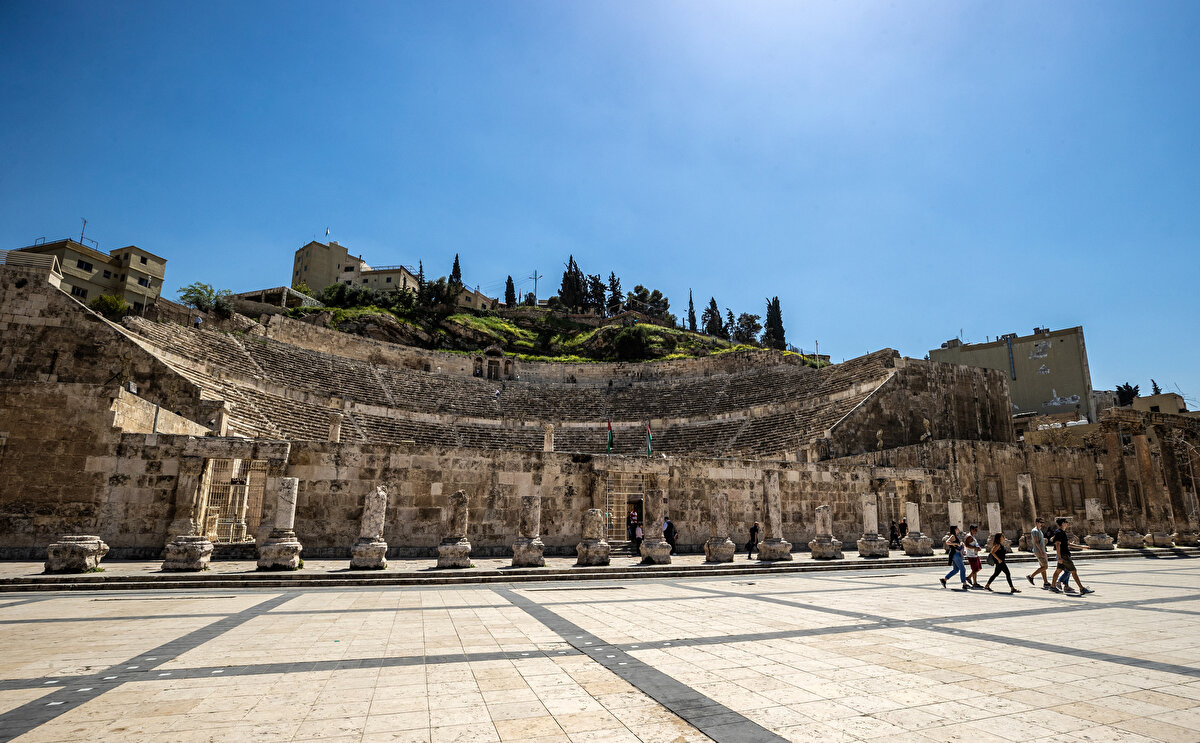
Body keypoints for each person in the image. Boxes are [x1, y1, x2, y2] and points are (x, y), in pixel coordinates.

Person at [1049, 517, 1093, 595]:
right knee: (1073, 571)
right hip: (1064, 555)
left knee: (1058, 570)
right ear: (1063, 523)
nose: (1067, 523)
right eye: (1066, 522)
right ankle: (1082, 588)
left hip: (1063, 555)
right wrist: (1059, 557)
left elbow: (1069, 544)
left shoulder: (1062, 532)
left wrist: (1082, 547)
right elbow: (1058, 545)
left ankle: (1053, 586)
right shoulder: (1059, 532)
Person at [939, 525, 969, 590]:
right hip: (955, 554)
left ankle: (944, 580)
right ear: (955, 529)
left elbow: (961, 543)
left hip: (957, 554)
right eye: (957, 528)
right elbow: (947, 542)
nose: (958, 529)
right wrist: (955, 544)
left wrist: (962, 547)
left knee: (956, 570)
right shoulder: (953, 536)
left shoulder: (956, 536)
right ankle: (964, 584)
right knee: (963, 569)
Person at [1026, 518, 1051, 589]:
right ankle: (1031, 576)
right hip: (1039, 551)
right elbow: (1036, 542)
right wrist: (1042, 551)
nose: (1042, 524)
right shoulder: (1034, 531)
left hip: (1041, 550)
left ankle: (1045, 582)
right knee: (1045, 566)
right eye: (1041, 522)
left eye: (1043, 522)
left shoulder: (1039, 531)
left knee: (1043, 567)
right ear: (1037, 522)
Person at [962, 524, 984, 589]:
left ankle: (969, 577)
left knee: (979, 568)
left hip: (975, 554)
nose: (976, 531)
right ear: (971, 530)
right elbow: (966, 545)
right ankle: (975, 583)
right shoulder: (969, 536)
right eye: (975, 530)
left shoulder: (972, 536)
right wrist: (975, 548)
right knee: (974, 569)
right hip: (971, 555)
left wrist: (977, 547)